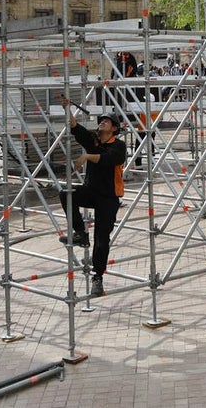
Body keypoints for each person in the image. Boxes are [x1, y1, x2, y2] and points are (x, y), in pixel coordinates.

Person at [58, 99, 126, 297]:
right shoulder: (94, 140)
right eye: (101, 120)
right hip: (91, 192)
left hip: (109, 198)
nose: (102, 122)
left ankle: (98, 277)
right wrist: (67, 108)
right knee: (66, 195)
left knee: (102, 239)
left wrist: (87, 157)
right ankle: (80, 233)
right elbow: (75, 128)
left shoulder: (118, 146)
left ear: (114, 128)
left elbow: (108, 160)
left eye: (107, 121)